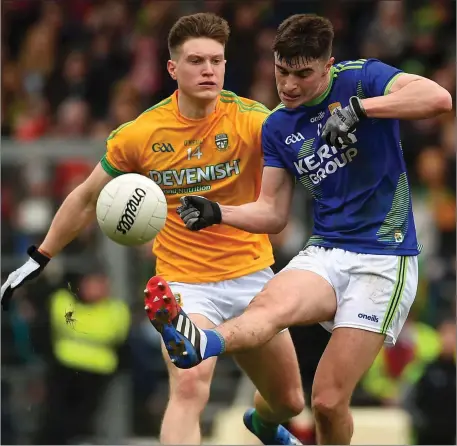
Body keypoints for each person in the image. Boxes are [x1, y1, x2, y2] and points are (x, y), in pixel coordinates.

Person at [144, 13, 453, 445]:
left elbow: (438, 99)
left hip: (384, 258)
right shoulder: (277, 125)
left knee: (325, 402)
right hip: (325, 251)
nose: (288, 86)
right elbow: (272, 213)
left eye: (303, 74)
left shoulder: (362, 79)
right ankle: (201, 341)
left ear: (327, 67)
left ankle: (255, 405)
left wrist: (361, 110)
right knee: (266, 310)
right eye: (281, 71)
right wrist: (218, 212)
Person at [1, 13, 305, 446]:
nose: (208, 70)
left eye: (216, 61)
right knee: (189, 385)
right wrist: (41, 255)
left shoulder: (253, 120)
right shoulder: (141, 134)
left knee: (290, 400)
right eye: (196, 60)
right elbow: (87, 196)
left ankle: (263, 424)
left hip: (252, 278)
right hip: (184, 285)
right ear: (172, 69)